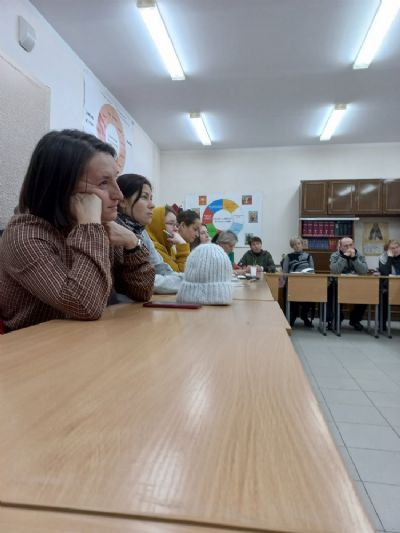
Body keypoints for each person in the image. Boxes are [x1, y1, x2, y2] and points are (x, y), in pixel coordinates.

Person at [0, 129, 154, 332]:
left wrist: (132, 244)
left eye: (115, 180)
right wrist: (89, 228)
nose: (118, 194)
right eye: (103, 183)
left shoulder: (101, 227)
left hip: (87, 341)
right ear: (61, 188)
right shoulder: (24, 236)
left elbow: (142, 291)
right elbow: (85, 306)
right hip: (37, 348)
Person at [116, 173, 183, 294]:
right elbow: (143, 281)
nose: (152, 205)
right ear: (123, 201)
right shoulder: (113, 232)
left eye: (151, 198)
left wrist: (192, 280)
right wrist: (190, 282)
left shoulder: (141, 231)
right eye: (144, 197)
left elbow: (161, 268)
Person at [329, 236, 368, 331]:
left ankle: (355, 320)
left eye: (350, 245)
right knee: (331, 291)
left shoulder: (359, 255)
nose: (349, 248)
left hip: (357, 285)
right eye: (345, 246)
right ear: (340, 247)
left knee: (367, 294)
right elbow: (335, 271)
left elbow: (364, 271)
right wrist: (343, 257)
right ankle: (337, 318)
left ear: (353, 245)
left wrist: (354, 258)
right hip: (338, 284)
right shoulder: (335, 255)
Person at [281, 237, 314, 327]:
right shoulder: (288, 256)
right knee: (290, 293)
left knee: (311, 293)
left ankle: (304, 315)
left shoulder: (308, 256)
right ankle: (293, 316)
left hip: (306, 284)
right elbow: (284, 273)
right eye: (294, 244)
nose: (297, 246)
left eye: (299, 244)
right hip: (293, 284)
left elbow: (312, 271)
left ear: (302, 245)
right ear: (292, 246)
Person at [146, 206, 190, 272]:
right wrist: (182, 245)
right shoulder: (155, 249)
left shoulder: (168, 248)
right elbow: (181, 275)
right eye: (171, 223)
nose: (176, 229)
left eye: (176, 225)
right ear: (157, 225)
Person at [378, 239, 400, 330]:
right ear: (387, 250)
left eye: (397, 247)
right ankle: (382, 324)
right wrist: (390, 258)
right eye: (392, 248)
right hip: (388, 286)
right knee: (383, 296)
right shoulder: (383, 258)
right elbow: (385, 273)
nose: (395, 250)